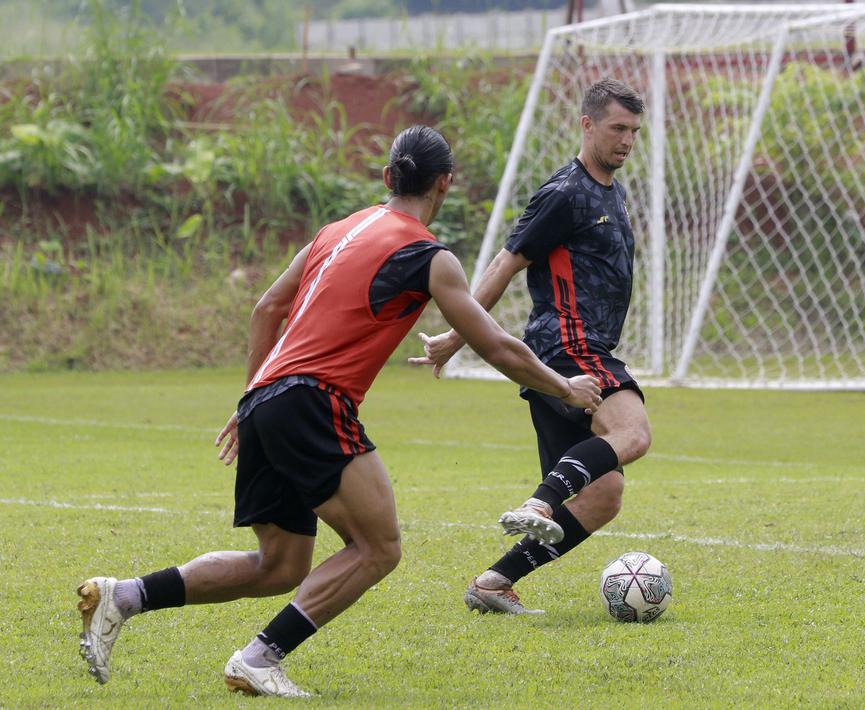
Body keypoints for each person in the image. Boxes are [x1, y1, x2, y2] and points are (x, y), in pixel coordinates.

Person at [75, 126, 602, 697]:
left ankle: (124, 595)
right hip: (313, 400)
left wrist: (252, 397)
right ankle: (259, 657)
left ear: (387, 177)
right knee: (380, 547)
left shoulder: (334, 232)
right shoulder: (430, 256)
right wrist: (564, 388)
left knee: (279, 566)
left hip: (267, 399)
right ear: (445, 184)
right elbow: (496, 346)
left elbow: (266, 308)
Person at [413, 79, 651, 614]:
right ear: (587, 124)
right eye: (617, 128)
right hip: (568, 344)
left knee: (603, 495)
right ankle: (541, 503)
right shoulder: (565, 193)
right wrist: (457, 335)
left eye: (634, 131)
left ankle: (493, 583)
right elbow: (507, 262)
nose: (627, 140)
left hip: (577, 347)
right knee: (633, 433)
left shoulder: (614, 192)